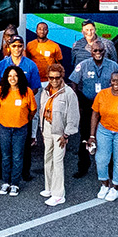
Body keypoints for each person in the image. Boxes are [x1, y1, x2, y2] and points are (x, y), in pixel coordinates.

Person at [68, 42, 118, 180]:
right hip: (88, 104)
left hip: (107, 105)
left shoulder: (113, 66)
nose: (98, 53)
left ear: (105, 51)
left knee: (107, 137)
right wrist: (77, 98)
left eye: (101, 50)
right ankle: (83, 167)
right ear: (91, 51)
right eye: (95, 50)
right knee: (85, 136)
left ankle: (108, 167)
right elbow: (73, 81)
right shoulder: (83, 65)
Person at [39, 64, 79, 206]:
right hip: (47, 128)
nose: (54, 81)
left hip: (60, 132)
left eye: (57, 77)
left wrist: (66, 134)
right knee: (47, 158)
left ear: (62, 76)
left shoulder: (68, 93)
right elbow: (42, 111)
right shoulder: (45, 91)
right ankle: (49, 187)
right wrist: (42, 129)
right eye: (51, 77)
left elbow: (73, 116)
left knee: (57, 161)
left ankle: (58, 194)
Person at [0, 65, 35, 197]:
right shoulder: (0, 90)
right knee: (5, 156)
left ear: (20, 77)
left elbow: (32, 110)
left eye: (15, 75)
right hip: (4, 128)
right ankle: (6, 182)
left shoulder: (27, 92)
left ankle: (15, 183)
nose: (12, 78)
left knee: (17, 157)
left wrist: (22, 119)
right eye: (10, 76)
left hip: (20, 128)